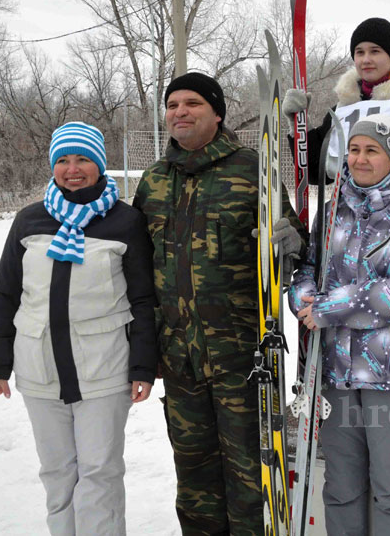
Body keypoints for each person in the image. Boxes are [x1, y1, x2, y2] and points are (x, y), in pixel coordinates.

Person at [132, 72, 307, 535]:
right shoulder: (151, 182)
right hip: (179, 358)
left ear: (217, 113)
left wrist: (291, 242)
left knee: (249, 473)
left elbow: (293, 246)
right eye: (172, 104)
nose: (180, 112)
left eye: (192, 103)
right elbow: (137, 272)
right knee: (193, 476)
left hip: (242, 359)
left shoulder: (252, 170)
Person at [0, 122, 157, 536]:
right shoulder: (29, 220)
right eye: (62, 160)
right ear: (52, 166)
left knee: (99, 472)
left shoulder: (126, 221)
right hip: (38, 367)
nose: (72, 169)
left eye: (82, 159)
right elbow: (6, 292)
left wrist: (143, 368)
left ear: (99, 164)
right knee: (57, 472)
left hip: (103, 369)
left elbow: (143, 300)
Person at [289, 114, 390, 535]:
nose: (359, 158)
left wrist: (327, 307)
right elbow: (308, 270)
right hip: (336, 372)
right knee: (340, 486)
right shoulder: (334, 207)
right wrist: (303, 297)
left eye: (371, 150)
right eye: (354, 149)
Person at [282, 16, 390, 229]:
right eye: (359, 52)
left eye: (375, 51)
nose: (366, 59)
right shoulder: (342, 108)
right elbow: (316, 167)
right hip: (347, 220)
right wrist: (298, 126)